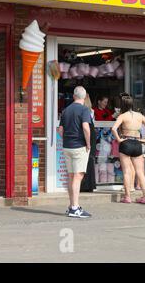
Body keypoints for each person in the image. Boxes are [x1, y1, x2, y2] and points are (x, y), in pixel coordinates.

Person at [111, 95, 145, 204]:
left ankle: (127, 197)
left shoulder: (122, 116)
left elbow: (113, 128)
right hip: (137, 143)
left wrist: (119, 139)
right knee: (140, 171)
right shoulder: (139, 115)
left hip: (125, 142)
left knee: (126, 172)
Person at [59, 86, 92, 218]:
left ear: (74, 96)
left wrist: (66, 139)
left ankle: (71, 205)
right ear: (84, 97)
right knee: (78, 176)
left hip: (67, 146)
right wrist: (88, 143)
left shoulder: (66, 110)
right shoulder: (84, 109)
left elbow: (60, 130)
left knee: (71, 176)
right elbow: (85, 127)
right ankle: (75, 208)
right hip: (79, 146)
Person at [80, 93, 97, 193]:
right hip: (91, 136)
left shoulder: (82, 110)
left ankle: (83, 185)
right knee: (90, 161)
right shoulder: (91, 111)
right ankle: (90, 185)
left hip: (85, 136)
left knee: (83, 162)